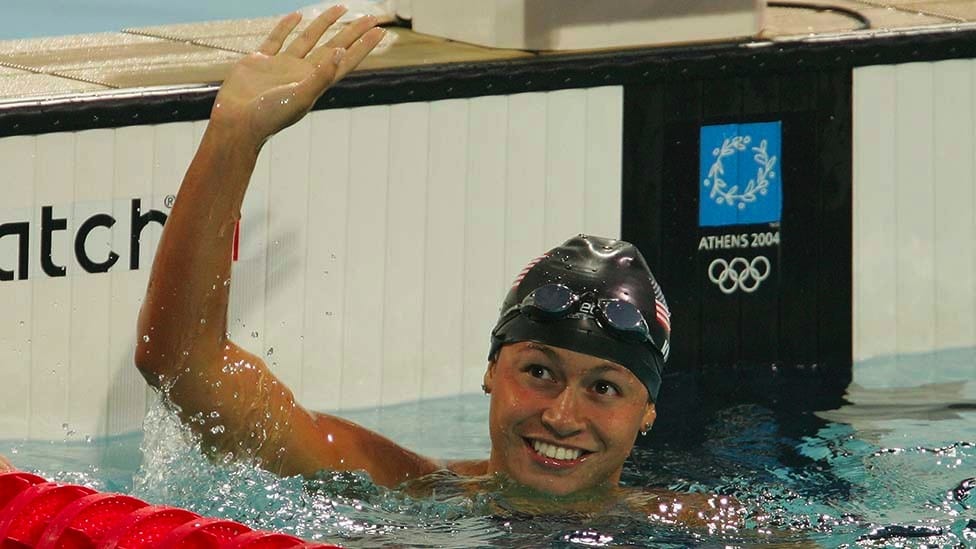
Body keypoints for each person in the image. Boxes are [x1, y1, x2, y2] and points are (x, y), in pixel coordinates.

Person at [133, 5, 742, 525]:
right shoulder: (399, 489)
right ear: (491, 371)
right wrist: (233, 137)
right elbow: (182, 365)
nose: (561, 416)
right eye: (538, 372)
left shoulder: (712, 529)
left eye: (604, 388)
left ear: (647, 413)